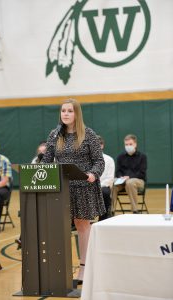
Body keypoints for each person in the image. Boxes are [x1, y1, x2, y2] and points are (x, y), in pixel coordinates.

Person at [41, 98, 105, 284]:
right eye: (63, 111)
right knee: (59, 227)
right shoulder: (55, 135)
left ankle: (84, 267)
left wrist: (93, 174)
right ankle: (60, 267)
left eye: (70, 111)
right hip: (62, 188)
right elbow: (46, 161)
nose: (66, 114)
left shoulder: (88, 134)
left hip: (84, 187)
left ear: (76, 113)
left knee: (82, 226)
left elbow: (99, 161)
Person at [112, 134, 147, 213]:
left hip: (138, 181)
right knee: (112, 182)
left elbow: (142, 173)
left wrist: (129, 177)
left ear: (135, 144)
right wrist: (121, 177)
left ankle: (135, 210)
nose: (128, 146)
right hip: (123, 181)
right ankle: (110, 211)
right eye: (126, 144)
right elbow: (118, 171)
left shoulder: (142, 157)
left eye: (130, 144)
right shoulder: (120, 157)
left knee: (130, 182)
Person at [97, 136, 115, 221]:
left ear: (102, 146)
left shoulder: (109, 160)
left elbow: (110, 179)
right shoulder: (86, 160)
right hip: (88, 186)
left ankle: (103, 218)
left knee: (104, 191)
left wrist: (98, 186)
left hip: (102, 186)